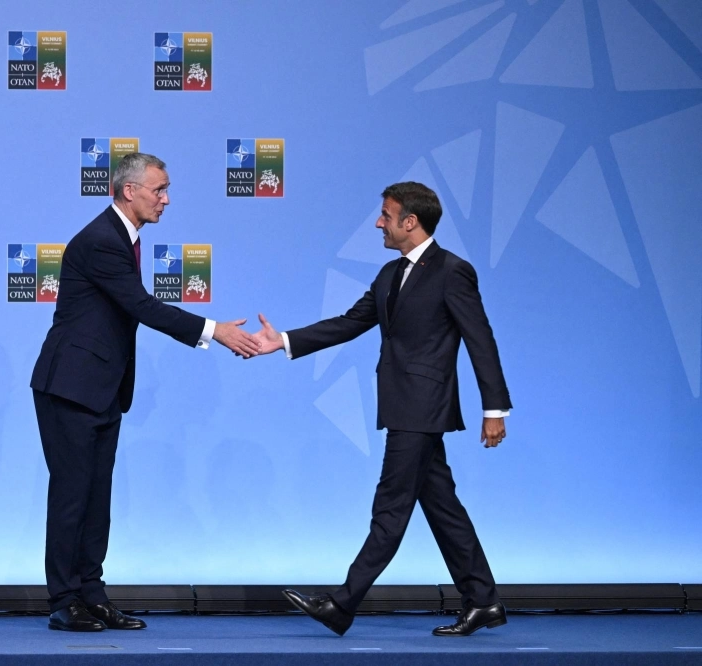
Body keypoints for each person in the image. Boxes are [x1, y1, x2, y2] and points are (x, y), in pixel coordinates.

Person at [251, 181, 511, 637]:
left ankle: (341, 603)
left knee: (390, 510)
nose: (378, 223)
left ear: (411, 222)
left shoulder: (453, 271)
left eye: (386, 216)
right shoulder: (389, 274)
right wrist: (284, 341)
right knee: (442, 507)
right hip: (401, 405)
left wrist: (495, 409)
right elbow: (350, 323)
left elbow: (480, 339)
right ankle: (483, 601)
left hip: (423, 408)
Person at [30, 153, 260, 632]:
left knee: (97, 498)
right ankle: (63, 600)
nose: (166, 199)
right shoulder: (101, 241)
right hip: (70, 386)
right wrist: (213, 330)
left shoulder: (122, 238)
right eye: (159, 189)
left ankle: (91, 595)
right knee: (73, 496)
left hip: (100, 390)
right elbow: (141, 306)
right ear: (129, 190)